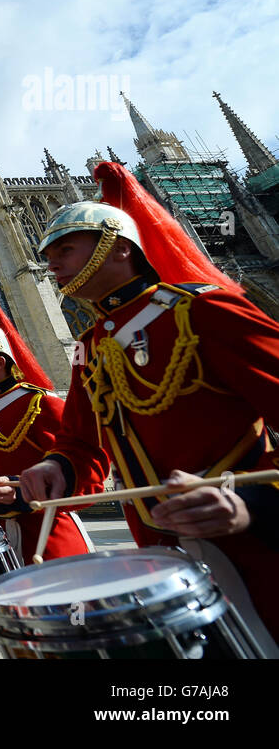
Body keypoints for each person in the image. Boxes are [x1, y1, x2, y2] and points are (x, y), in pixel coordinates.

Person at [18, 162, 279, 650]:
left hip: (256, 545)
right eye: (48, 254)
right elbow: (82, 443)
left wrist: (254, 505)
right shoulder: (91, 346)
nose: (51, 263)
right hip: (162, 561)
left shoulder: (201, 309)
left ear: (119, 246)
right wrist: (57, 467)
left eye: (64, 249)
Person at [0, 288, 93, 561]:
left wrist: (22, 490)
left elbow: (86, 480)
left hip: (52, 539)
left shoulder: (42, 404)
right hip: (4, 542)